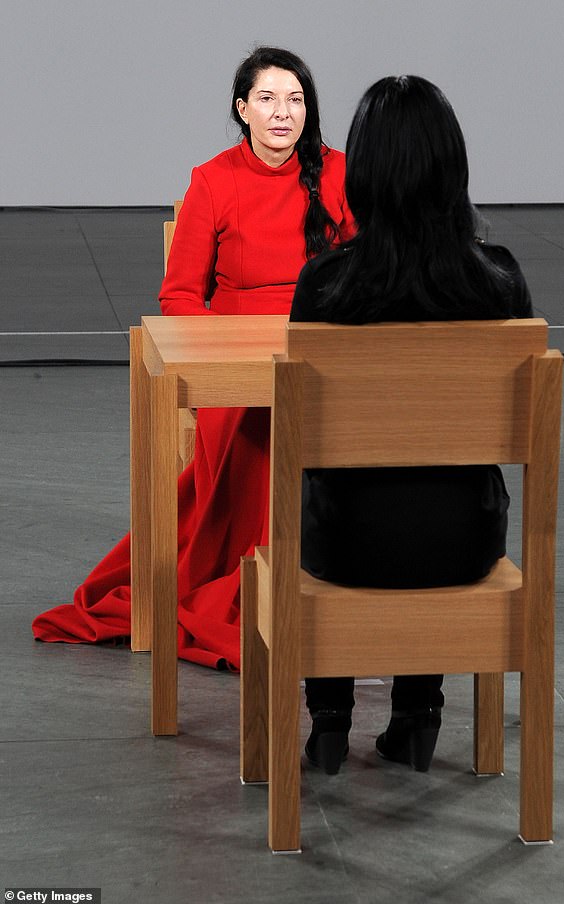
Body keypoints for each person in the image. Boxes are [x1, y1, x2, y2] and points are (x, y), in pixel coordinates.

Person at [32, 47, 355, 669]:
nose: (283, 113)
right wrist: (232, 354)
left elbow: (369, 275)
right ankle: (266, 588)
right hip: (234, 363)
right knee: (260, 434)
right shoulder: (212, 179)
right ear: (242, 109)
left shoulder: (339, 174)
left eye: (295, 99)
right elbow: (180, 295)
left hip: (319, 351)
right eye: (267, 99)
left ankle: (319, 583)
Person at [289, 75, 533, 775]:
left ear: (362, 172)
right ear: (451, 168)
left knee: (329, 494)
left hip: (346, 549)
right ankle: (418, 715)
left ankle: (330, 722)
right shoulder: (501, 282)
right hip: (465, 545)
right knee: (439, 489)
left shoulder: (324, 284)